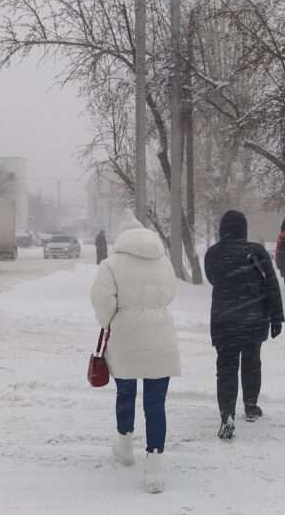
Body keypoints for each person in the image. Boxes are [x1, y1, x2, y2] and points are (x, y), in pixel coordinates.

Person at [90, 210, 180, 494]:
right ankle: (154, 464)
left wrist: (111, 322)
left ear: (122, 237)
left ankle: (126, 446)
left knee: (125, 392)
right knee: (155, 403)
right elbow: (169, 295)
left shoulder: (111, 264)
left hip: (125, 337)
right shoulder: (163, 261)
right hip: (161, 335)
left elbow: (102, 302)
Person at [204, 210, 285, 440]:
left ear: (223, 229)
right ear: (244, 228)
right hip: (253, 319)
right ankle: (250, 406)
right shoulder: (256, 251)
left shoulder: (213, 254)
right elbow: (271, 285)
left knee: (226, 368)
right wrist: (276, 317)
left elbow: (212, 278)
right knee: (251, 363)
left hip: (224, 319)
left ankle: (227, 413)